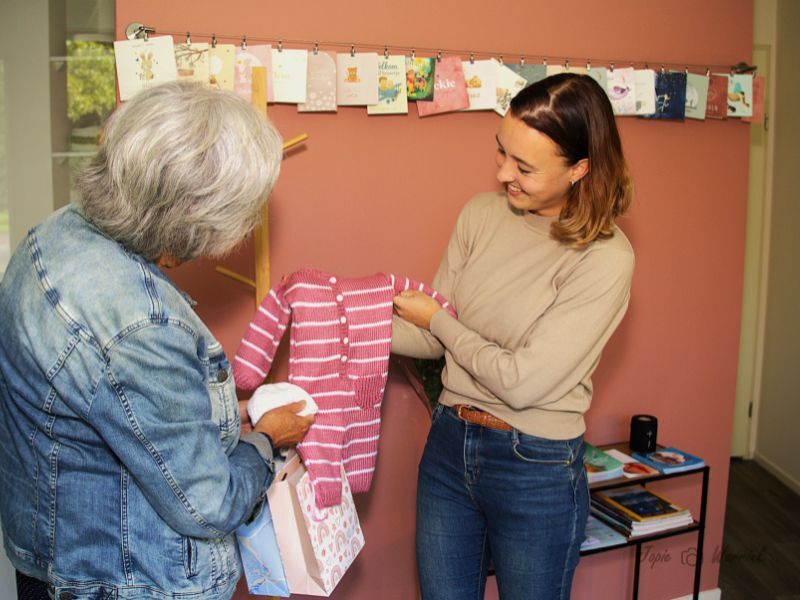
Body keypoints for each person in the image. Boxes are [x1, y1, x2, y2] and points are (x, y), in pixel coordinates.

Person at [0, 81, 313, 600]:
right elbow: (208, 503)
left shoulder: (48, 238)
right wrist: (266, 440)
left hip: (51, 555)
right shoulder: (143, 325)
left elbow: (106, 408)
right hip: (123, 580)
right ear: (189, 219)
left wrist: (211, 412)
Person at [392, 73, 635, 599]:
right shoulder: (480, 215)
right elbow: (433, 341)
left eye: (524, 167)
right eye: (501, 152)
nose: (504, 174)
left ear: (579, 168)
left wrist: (437, 320)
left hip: (535, 466)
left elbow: (520, 382)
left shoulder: (605, 259)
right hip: (449, 445)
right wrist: (348, 321)